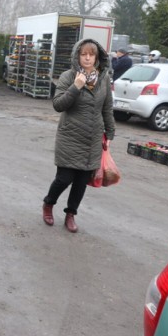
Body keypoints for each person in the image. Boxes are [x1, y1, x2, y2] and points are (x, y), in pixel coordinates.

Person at [41, 38, 115, 233]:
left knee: (81, 182)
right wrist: (76, 86)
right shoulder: (68, 76)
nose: (88, 58)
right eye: (84, 54)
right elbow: (58, 105)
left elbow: (107, 106)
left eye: (92, 54)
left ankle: (70, 214)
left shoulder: (103, 78)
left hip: (92, 138)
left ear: (97, 57)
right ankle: (49, 204)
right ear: (78, 56)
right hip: (70, 136)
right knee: (64, 178)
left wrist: (110, 131)